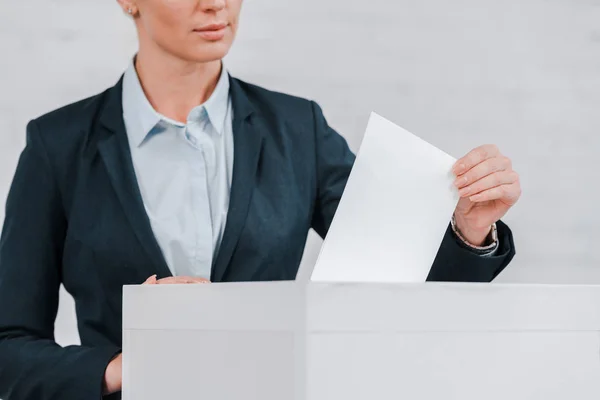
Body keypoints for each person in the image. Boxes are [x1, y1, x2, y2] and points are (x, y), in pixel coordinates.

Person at [0, 0, 521, 399]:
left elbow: (396, 287)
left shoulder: (299, 130)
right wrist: (121, 366)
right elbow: (9, 347)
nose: (217, 3)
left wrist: (468, 230)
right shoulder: (59, 146)